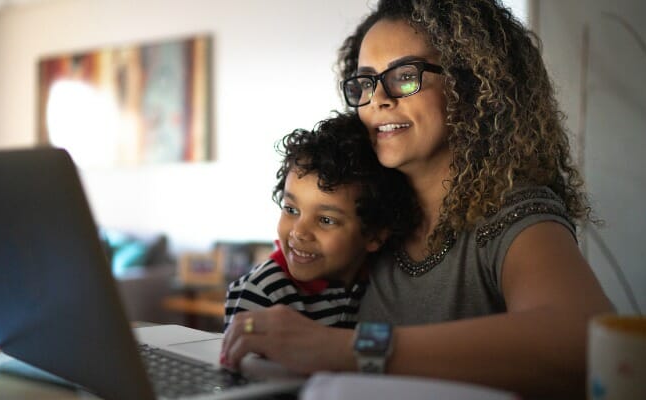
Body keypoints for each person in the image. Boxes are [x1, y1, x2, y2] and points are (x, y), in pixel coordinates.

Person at [221, 1, 614, 398]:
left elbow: (583, 340)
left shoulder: (511, 213)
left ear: (472, 85)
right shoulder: (371, 214)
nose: (378, 100)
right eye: (365, 82)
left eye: (405, 76)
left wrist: (343, 349)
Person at [224, 112, 419, 331]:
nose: (299, 232)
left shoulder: (380, 281)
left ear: (374, 235)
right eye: (291, 209)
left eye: (326, 220)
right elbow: (238, 360)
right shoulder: (264, 291)